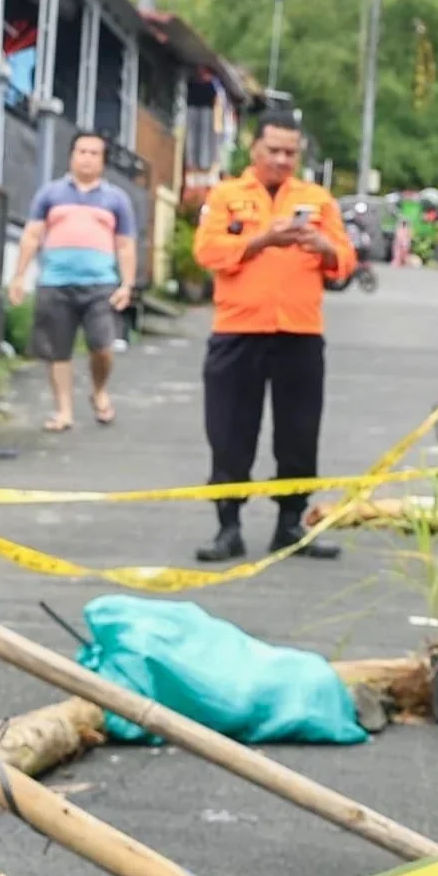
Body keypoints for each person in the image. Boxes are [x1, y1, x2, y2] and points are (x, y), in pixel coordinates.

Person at [188, 113, 353, 562]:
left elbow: (345, 259)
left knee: (299, 433)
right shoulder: (227, 196)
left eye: (290, 152)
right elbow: (207, 251)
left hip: (299, 333)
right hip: (238, 330)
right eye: (273, 150)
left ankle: (290, 524)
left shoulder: (316, 200)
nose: (281, 159)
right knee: (229, 431)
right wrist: (264, 240)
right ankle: (228, 526)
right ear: (254, 151)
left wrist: (324, 249)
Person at [5, 128, 135, 431]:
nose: (87, 159)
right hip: (55, 282)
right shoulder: (50, 194)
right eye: (82, 152)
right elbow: (32, 235)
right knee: (57, 351)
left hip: (100, 284)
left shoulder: (116, 200)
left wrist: (126, 284)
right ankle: (63, 410)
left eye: (94, 153)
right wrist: (19, 277)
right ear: (71, 156)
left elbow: (125, 244)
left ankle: (99, 391)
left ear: (103, 161)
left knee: (102, 346)